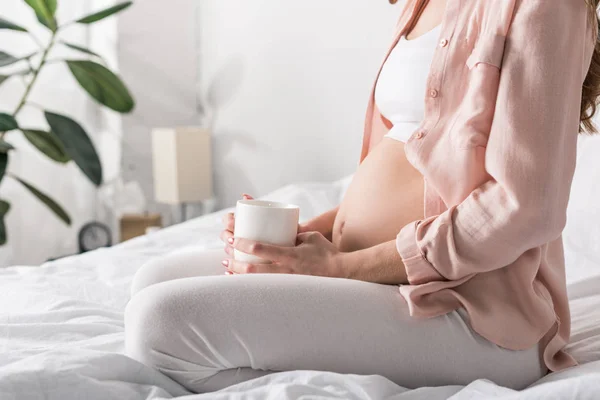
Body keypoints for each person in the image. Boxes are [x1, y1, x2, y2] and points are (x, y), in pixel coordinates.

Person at [124, 0, 600, 393]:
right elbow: (417, 161)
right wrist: (315, 234)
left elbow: (525, 207)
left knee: (159, 321)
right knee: (154, 278)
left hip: (469, 308)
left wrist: (338, 268)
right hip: (369, 273)